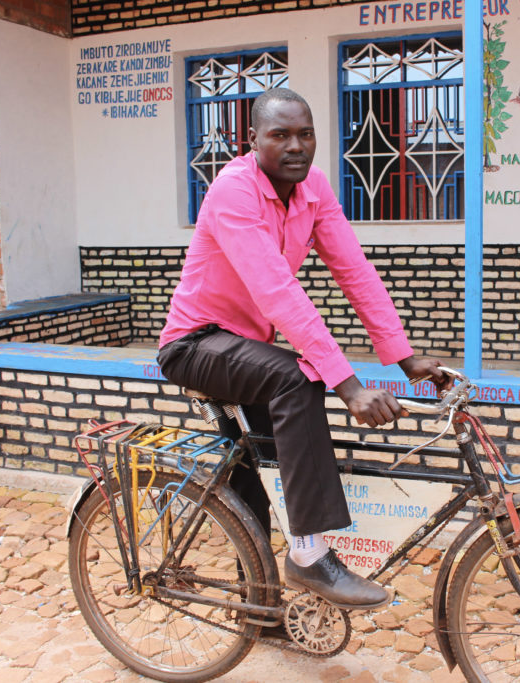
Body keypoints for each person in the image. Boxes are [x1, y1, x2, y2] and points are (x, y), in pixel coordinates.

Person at [157, 87, 450, 610]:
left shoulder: (313, 188)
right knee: (299, 377)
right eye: (280, 135)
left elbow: (354, 271)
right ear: (252, 140)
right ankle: (311, 557)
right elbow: (278, 293)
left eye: (306, 134)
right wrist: (349, 386)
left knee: (261, 481)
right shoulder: (233, 191)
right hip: (195, 343)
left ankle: (261, 612)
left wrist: (403, 357)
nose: (297, 146)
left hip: (248, 353)